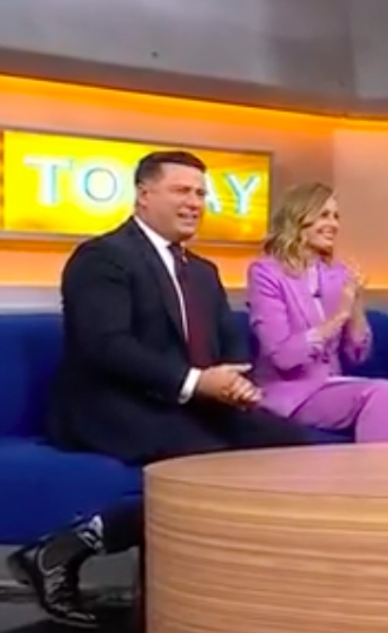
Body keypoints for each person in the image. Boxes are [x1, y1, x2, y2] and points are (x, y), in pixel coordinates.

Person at [7, 151, 312, 628]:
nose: (195, 203)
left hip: (188, 400)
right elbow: (105, 346)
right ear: (144, 195)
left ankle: (258, 583)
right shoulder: (102, 258)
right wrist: (195, 382)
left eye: (201, 194)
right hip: (108, 402)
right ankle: (64, 549)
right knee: (211, 466)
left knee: (290, 445)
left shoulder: (204, 271)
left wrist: (236, 381)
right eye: (182, 191)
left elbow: (227, 343)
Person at [246, 182, 388, 442]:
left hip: (333, 384)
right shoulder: (266, 273)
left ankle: (373, 465)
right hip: (291, 393)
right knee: (377, 392)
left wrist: (356, 303)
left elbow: (357, 354)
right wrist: (338, 318)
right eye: (324, 215)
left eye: (336, 216)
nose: (333, 224)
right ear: (298, 218)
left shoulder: (337, 274)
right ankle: (385, 469)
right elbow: (282, 356)